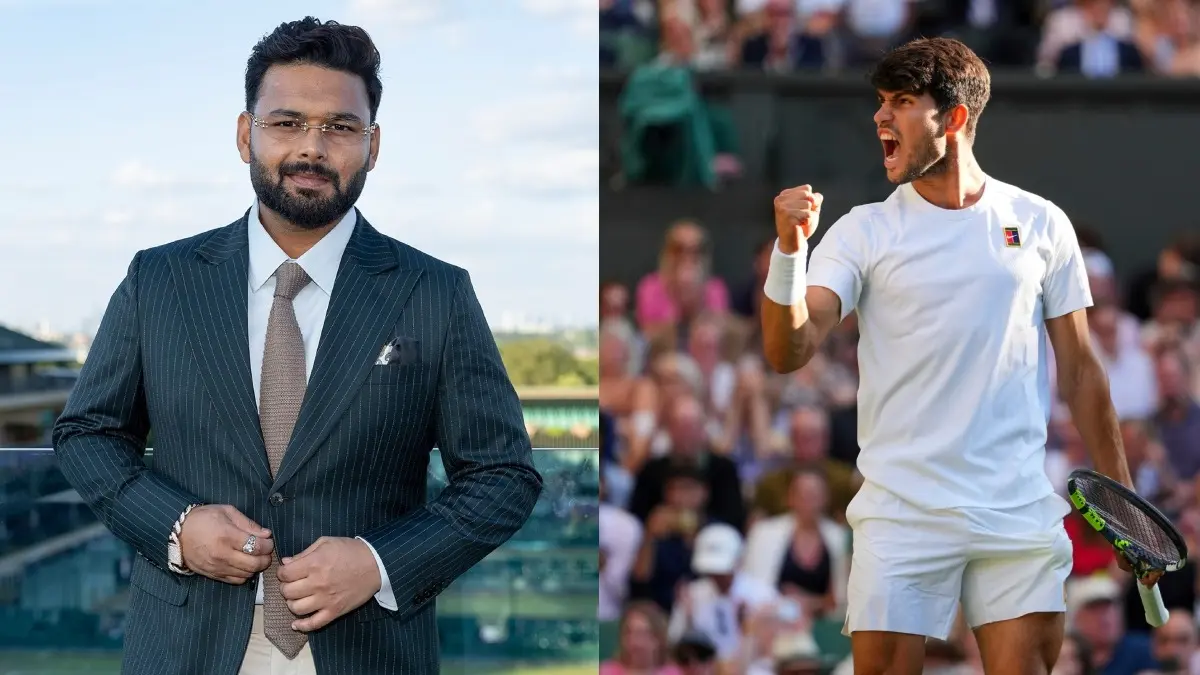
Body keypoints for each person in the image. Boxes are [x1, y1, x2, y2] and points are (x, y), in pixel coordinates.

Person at [51, 17, 542, 675]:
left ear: (373, 145)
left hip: (370, 650)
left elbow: (502, 475)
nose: (312, 147)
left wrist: (377, 562)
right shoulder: (159, 280)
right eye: (286, 122)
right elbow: (87, 433)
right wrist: (177, 527)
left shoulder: (437, 293)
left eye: (340, 127)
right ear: (244, 133)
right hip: (185, 647)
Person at [758, 37, 1152, 674]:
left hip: (1017, 508)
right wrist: (788, 253)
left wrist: (1125, 509)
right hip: (901, 510)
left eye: (904, 102)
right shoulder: (863, 230)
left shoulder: (1041, 222)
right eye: (881, 102)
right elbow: (789, 349)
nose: (881, 117)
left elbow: (1080, 371)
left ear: (957, 118)